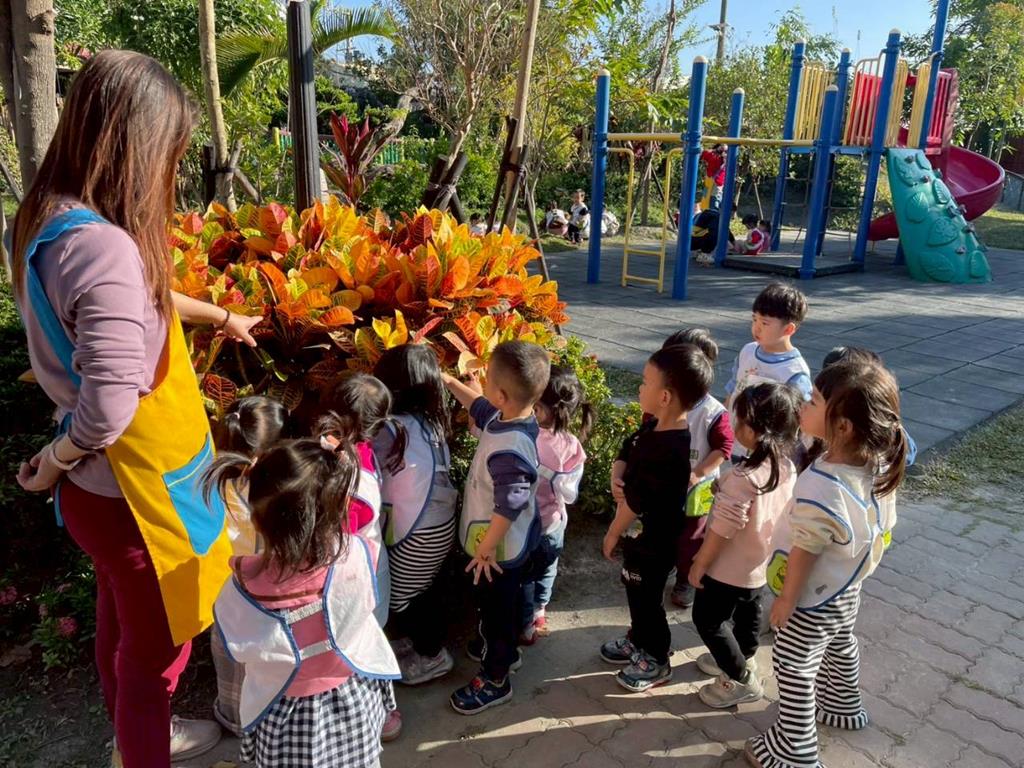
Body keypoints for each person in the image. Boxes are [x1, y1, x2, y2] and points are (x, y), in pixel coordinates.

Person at [11, 50, 262, 767]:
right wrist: (53, 462)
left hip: (102, 498)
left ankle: (131, 735)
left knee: (120, 629)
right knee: (155, 658)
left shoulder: (44, 220)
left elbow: (133, 299)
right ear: (139, 146)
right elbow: (107, 412)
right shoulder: (105, 248)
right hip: (135, 498)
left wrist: (220, 315)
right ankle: (142, 742)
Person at [746, 359, 906, 768]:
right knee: (839, 642)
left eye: (815, 401)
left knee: (792, 663)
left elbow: (805, 550)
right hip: (846, 586)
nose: (804, 403)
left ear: (844, 426)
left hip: (810, 596)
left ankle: (794, 749)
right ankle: (842, 704)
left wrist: (786, 600)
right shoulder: (877, 461)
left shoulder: (822, 486)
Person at [207, 432, 400, 768]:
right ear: (337, 509)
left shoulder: (244, 586)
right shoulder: (359, 556)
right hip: (354, 695)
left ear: (256, 519)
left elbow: (237, 646)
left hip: (283, 711)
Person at [442, 341, 551, 714]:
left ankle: (495, 678)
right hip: (508, 545)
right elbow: (478, 404)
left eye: (486, 379)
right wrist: (448, 381)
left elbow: (510, 504)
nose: (482, 383)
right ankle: (505, 648)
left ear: (502, 395)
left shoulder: (510, 449)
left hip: (497, 551)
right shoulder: (510, 417)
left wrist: (487, 548)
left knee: (494, 613)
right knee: (505, 607)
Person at [600, 344, 713, 692]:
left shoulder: (669, 448)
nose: (639, 387)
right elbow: (627, 448)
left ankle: (656, 656)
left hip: (654, 541)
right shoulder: (653, 428)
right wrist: (617, 473)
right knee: (634, 588)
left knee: (647, 599)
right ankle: (638, 639)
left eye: (646, 382)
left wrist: (612, 532)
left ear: (664, 397)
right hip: (639, 538)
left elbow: (636, 502)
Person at [688, 382, 801, 709]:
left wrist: (700, 562)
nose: (735, 428)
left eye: (739, 422)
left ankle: (739, 678)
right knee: (749, 612)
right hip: (760, 564)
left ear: (754, 431)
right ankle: (743, 657)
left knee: (708, 620)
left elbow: (723, 528)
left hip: (727, 569)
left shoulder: (743, 478)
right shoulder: (786, 468)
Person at [372, 345, 458, 690]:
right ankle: (419, 643)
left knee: (397, 598)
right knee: (420, 591)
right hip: (438, 524)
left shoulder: (390, 429)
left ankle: (432, 655)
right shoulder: (431, 421)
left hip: (416, 531)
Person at [321, 374, 402, 739]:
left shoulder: (340, 466)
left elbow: (340, 530)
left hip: (352, 574)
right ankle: (375, 711)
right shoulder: (359, 452)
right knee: (364, 640)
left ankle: (371, 714)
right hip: (363, 568)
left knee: (357, 644)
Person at [210, 396, 291, 735]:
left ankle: (233, 716)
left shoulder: (210, 473)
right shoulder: (266, 488)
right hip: (261, 588)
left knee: (230, 654)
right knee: (263, 655)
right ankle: (267, 717)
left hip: (222, 589)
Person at [658, 329, 734, 610]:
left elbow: (723, 447)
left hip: (697, 489)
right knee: (662, 529)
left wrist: (699, 473)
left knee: (692, 536)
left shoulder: (712, 412)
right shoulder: (661, 401)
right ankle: (664, 564)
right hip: (664, 483)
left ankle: (686, 578)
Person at [518, 365, 592, 645]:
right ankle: (539, 611)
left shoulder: (522, 435)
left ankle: (525, 626)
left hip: (523, 527)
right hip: (552, 525)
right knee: (547, 569)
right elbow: (569, 494)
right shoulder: (572, 445)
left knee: (524, 576)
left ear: (537, 408)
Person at [725, 282, 811, 461]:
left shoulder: (794, 371)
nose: (756, 327)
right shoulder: (747, 351)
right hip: (736, 441)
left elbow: (798, 418)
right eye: (754, 319)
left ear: (788, 329)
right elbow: (733, 390)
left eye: (765, 323)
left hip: (768, 453)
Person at [701, 143, 727, 211]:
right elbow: (703, 154)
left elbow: (724, 162)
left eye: (725, 150)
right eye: (722, 148)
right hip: (710, 180)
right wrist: (713, 150)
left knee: (714, 200)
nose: (723, 151)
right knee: (706, 199)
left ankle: (713, 214)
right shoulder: (712, 155)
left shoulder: (724, 158)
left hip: (717, 181)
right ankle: (705, 213)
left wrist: (723, 155)